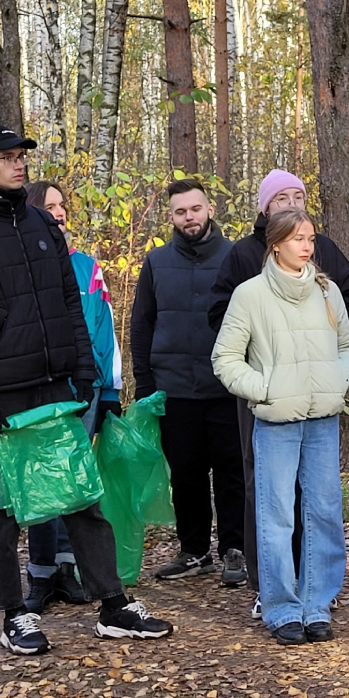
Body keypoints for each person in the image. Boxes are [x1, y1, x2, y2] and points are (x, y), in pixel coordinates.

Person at [0, 125, 171, 655]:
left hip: (56, 386)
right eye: (6, 157)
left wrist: (85, 372)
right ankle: (15, 615)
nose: (19, 166)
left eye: (22, 158)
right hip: (1, 395)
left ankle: (113, 605)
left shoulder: (42, 224)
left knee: (83, 496)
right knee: (3, 509)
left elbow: (68, 304)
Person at [208, 169, 349, 620]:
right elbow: (225, 359)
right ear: (275, 242)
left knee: (325, 513)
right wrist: (265, 391)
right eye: (298, 238)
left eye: (310, 238)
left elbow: (347, 346)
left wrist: (340, 380)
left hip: (322, 418)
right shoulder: (249, 294)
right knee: (276, 516)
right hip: (275, 421)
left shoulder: (327, 291)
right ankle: (279, 606)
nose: (308, 246)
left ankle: (317, 604)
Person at [130, 178, 246, 586]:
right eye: (180, 212)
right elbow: (141, 325)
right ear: (171, 217)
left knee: (233, 473)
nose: (189, 217)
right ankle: (194, 551)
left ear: (209, 209)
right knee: (186, 474)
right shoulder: (157, 262)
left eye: (195, 209)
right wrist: (145, 385)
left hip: (228, 389)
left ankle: (236, 550)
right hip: (174, 389)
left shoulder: (236, 257)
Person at [21, 181, 125, 613]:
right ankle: (41, 575)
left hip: (87, 390)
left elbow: (105, 329)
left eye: (63, 206)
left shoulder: (87, 267)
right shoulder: (22, 264)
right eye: (50, 207)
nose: (60, 213)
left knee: (76, 482)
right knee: (43, 484)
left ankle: (69, 570)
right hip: (40, 392)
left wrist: (111, 389)